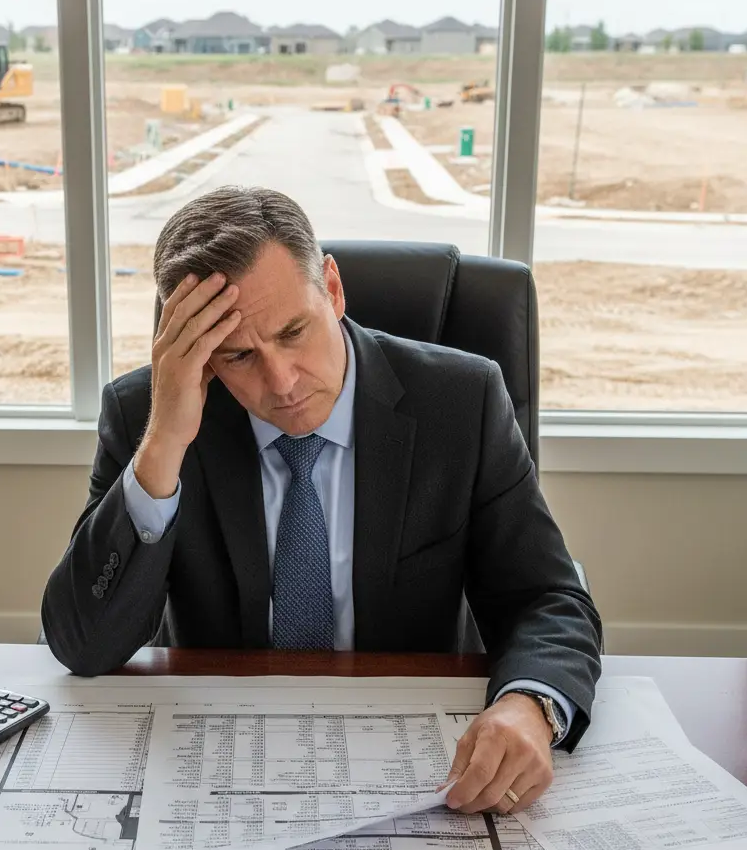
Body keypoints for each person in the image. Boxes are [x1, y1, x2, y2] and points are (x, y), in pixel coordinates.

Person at [42, 186, 601, 816]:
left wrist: (531, 704)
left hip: (417, 765)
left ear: (332, 289)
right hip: (221, 758)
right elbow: (83, 645)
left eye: (293, 332)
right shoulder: (146, 417)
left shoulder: (462, 401)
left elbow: (547, 597)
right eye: (238, 355)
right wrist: (165, 444)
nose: (281, 382)